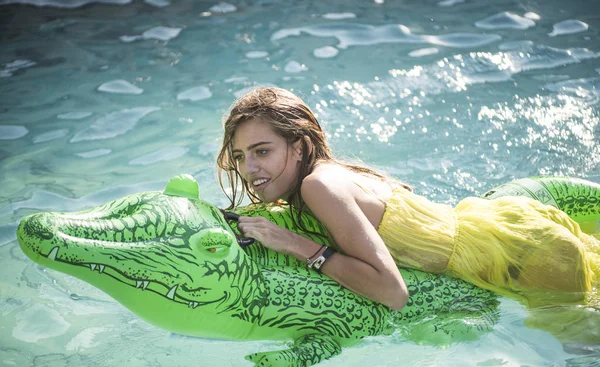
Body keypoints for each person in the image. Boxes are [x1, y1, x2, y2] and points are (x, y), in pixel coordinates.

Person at [217, 87, 600, 310]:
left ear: (299, 147)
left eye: (262, 151)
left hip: (523, 260)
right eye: (239, 156)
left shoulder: (318, 187)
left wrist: (296, 244)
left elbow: (392, 292)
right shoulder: (339, 172)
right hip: (507, 230)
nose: (249, 167)